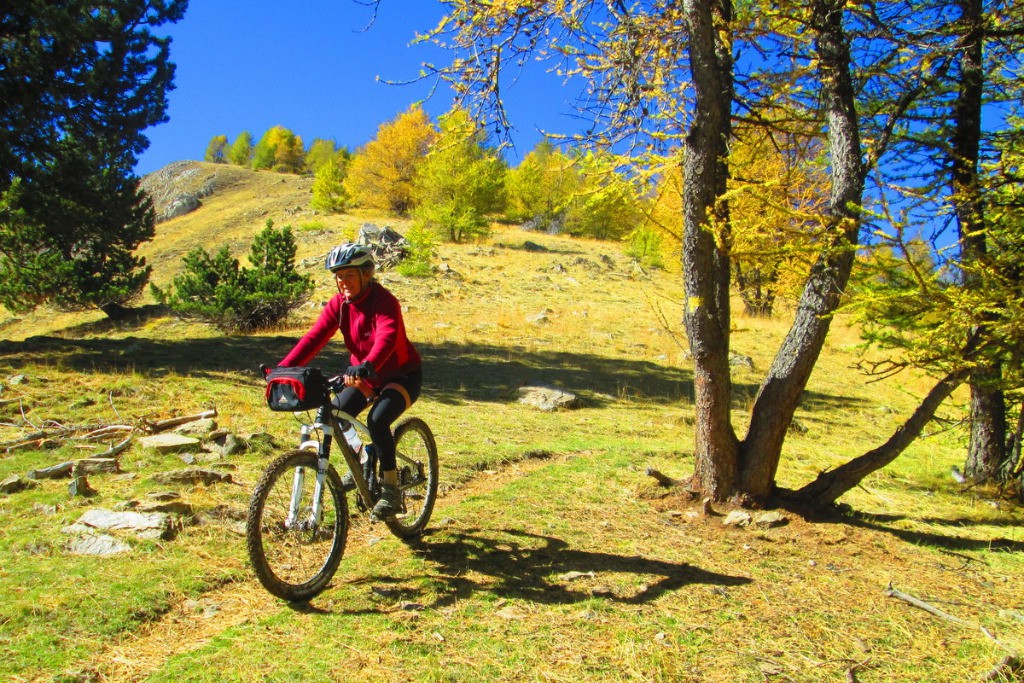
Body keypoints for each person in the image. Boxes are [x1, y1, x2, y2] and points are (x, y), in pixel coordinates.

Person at [275, 243, 422, 518]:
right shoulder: (339, 305)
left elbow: (387, 337)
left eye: (349, 275)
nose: (343, 282)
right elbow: (314, 338)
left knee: (378, 421)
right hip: (361, 375)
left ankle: (391, 489)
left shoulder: (384, 301)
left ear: (366, 274)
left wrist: (368, 364)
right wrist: (283, 368)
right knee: (333, 415)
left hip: (401, 374)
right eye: (339, 276)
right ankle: (362, 462)